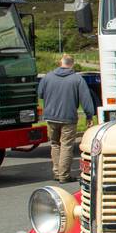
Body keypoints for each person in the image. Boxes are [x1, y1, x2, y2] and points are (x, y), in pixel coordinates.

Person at [37, 54, 97, 182]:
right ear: (72, 64)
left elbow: (40, 94)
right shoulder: (77, 79)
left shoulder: (47, 77)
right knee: (66, 145)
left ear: (60, 63)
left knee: (54, 144)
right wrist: (89, 115)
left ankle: (57, 173)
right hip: (68, 118)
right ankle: (64, 175)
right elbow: (85, 99)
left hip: (51, 117)